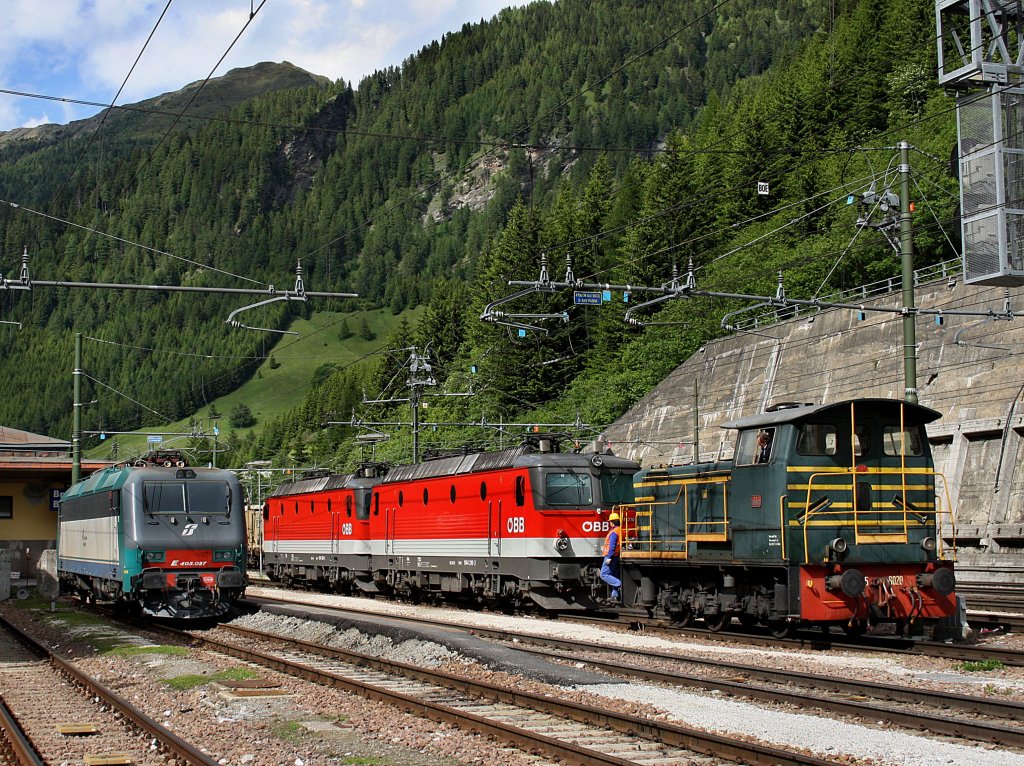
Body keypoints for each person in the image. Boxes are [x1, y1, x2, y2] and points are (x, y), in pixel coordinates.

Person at [600, 512, 622, 601]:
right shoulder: (620, 530)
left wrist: (609, 557)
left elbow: (612, 545)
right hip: (616, 555)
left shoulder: (613, 532)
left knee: (604, 574)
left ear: (612, 522)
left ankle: (619, 584)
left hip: (611, 556)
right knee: (613, 574)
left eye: (610, 522)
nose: (609, 523)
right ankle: (615, 595)